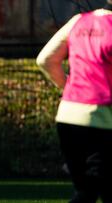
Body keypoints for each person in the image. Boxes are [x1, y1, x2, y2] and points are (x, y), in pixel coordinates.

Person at [36, 1, 112, 203]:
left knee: (86, 192)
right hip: (101, 119)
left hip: (68, 117)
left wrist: (71, 88)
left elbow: (45, 60)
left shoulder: (78, 21)